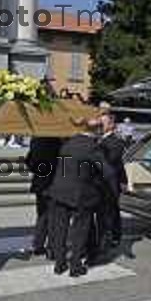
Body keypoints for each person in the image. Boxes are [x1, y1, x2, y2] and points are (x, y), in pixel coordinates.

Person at [46, 118, 114, 277]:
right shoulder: (92, 147)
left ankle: (59, 263)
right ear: (97, 130)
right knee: (80, 230)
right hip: (81, 194)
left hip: (59, 190)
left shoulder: (69, 142)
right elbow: (107, 171)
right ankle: (75, 266)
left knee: (60, 230)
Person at [25, 136, 62, 257]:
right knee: (53, 218)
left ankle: (38, 245)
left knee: (42, 215)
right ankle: (51, 248)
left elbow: (29, 161)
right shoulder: (57, 140)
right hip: (53, 182)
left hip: (40, 183)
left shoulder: (36, 140)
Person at [98, 112, 128, 249]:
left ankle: (111, 238)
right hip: (103, 182)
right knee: (110, 211)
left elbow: (110, 161)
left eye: (102, 123)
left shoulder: (115, 142)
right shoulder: (99, 140)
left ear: (111, 125)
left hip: (109, 183)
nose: (99, 125)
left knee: (109, 211)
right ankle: (113, 235)